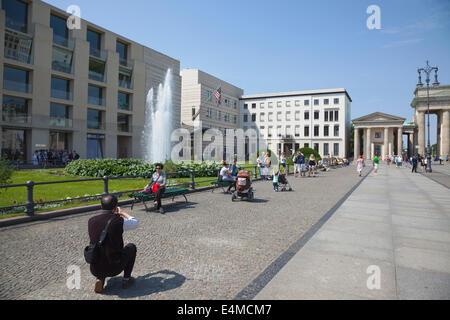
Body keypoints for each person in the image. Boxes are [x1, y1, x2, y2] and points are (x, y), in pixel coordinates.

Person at [88, 194, 138, 293]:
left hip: (95, 267)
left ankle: (100, 279)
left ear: (101, 206)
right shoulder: (118, 221)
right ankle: (126, 280)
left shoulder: (91, 221)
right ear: (116, 207)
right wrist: (123, 213)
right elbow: (135, 223)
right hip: (114, 267)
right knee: (131, 247)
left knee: (100, 247)